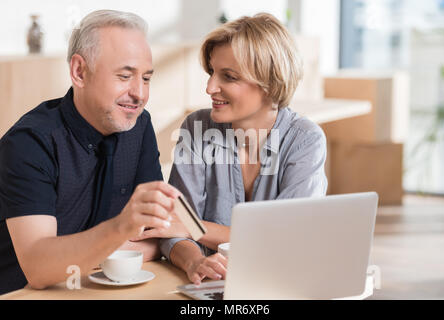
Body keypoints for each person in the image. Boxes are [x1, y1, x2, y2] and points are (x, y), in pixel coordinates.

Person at [134, 13, 328, 285]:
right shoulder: (196, 127)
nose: (210, 87)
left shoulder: (305, 140)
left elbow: (287, 238)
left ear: (270, 85)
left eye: (229, 76)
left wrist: (197, 228)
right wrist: (196, 262)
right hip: (213, 286)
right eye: (212, 72)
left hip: (282, 283)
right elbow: (175, 229)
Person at [0, 10, 180, 295]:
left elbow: (157, 236)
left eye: (146, 78)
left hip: (97, 288)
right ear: (79, 72)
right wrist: (122, 230)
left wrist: (89, 249)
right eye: (124, 76)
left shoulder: (138, 125)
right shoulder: (30, 142)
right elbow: (38, 267)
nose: (140, 94)